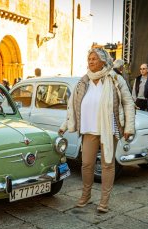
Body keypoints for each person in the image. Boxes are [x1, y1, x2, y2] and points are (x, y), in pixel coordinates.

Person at [58, 47, 135, 213]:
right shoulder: (83, 81)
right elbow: (72, 106)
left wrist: (129, 126)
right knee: (86, 164)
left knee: (108, 164)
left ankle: (104, 201)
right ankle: (86, 195)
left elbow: (128, 102)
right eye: (89, 59)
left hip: (109, 128)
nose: (90, 61)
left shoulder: (115, 78)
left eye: (94, 58)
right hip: (89, 128)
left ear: (103, 60)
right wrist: (65, 125)